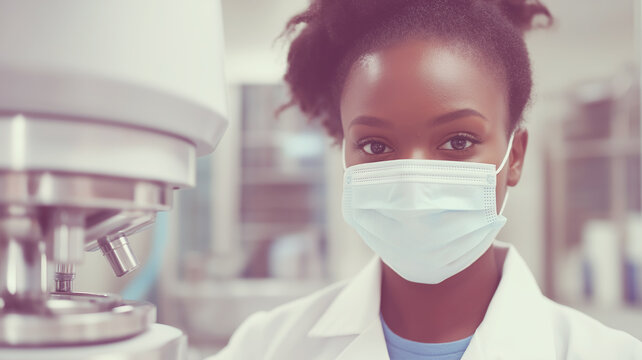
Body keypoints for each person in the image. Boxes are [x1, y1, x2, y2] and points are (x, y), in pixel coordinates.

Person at [212, 0, 642, 359]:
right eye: (376, 146)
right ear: (344, 152)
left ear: (516, 157)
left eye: (458, 140)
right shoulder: (265, 346)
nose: (414, 180)